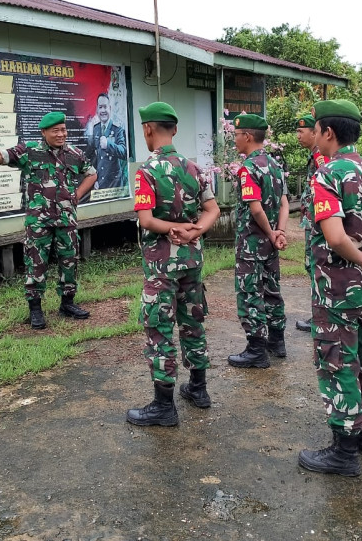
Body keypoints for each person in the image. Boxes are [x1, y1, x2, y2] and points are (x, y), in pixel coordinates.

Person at [297, 99, 362, 477]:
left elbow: (335, 236)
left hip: (336, 289)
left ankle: (344, 451)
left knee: (337, 360)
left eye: (317, 130)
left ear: (327, 132)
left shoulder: (328, 174)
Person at [126, 101, 221, 426]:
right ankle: (198, 389)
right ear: (175, 130)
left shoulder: (147, 171)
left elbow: (146, 220)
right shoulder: (194, 168)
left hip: (162, 265)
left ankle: (163, 406)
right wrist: (195, 229)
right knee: (193, 321)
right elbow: (213, 210)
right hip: (192, 260)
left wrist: (172, 229)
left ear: (148, 129)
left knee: (160, 327)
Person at [0, 112, 97, 329]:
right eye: (56, 131)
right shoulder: (30, 151)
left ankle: (67, 303)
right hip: (38, 223)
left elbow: (91, 173)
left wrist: (77, 195)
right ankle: (35, 310)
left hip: (66, 220)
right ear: (44, 132)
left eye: (63, 129)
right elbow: (0, 157)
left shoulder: (74, 153)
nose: (61, 134)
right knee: (36, 264)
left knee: (69, 262)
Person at [227, 113, 289, 367]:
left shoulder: (249, 168)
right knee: (271, 289)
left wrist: (269, 231)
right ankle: (277, 341)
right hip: (270, 244)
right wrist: (279, 232)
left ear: (248, 136)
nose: (234, 141)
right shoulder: (274, 165)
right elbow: (284, 203)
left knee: (250, 292)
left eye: (237, 136)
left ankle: (256, 350)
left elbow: (255, 208)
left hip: (252, 243)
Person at [293, 114, 329, 334]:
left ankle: (322, 316)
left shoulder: (321, 159)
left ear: (315, 133)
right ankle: (320, 314)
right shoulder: (315, 156)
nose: (298, 136)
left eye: (301, 131)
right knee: (312, 265)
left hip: (318, 221)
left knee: (316, 265)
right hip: (313, 219)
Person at [87, 93, 128, 191]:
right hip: (100, 183)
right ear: (97, 109)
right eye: (100, 107)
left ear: (110, 108)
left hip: (115, 185)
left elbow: (124, 152)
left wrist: (108, 145)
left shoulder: (118, 128)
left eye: (105, 107)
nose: (103, 111)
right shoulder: (96, 128)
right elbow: (95, 156)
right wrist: (95, 179)